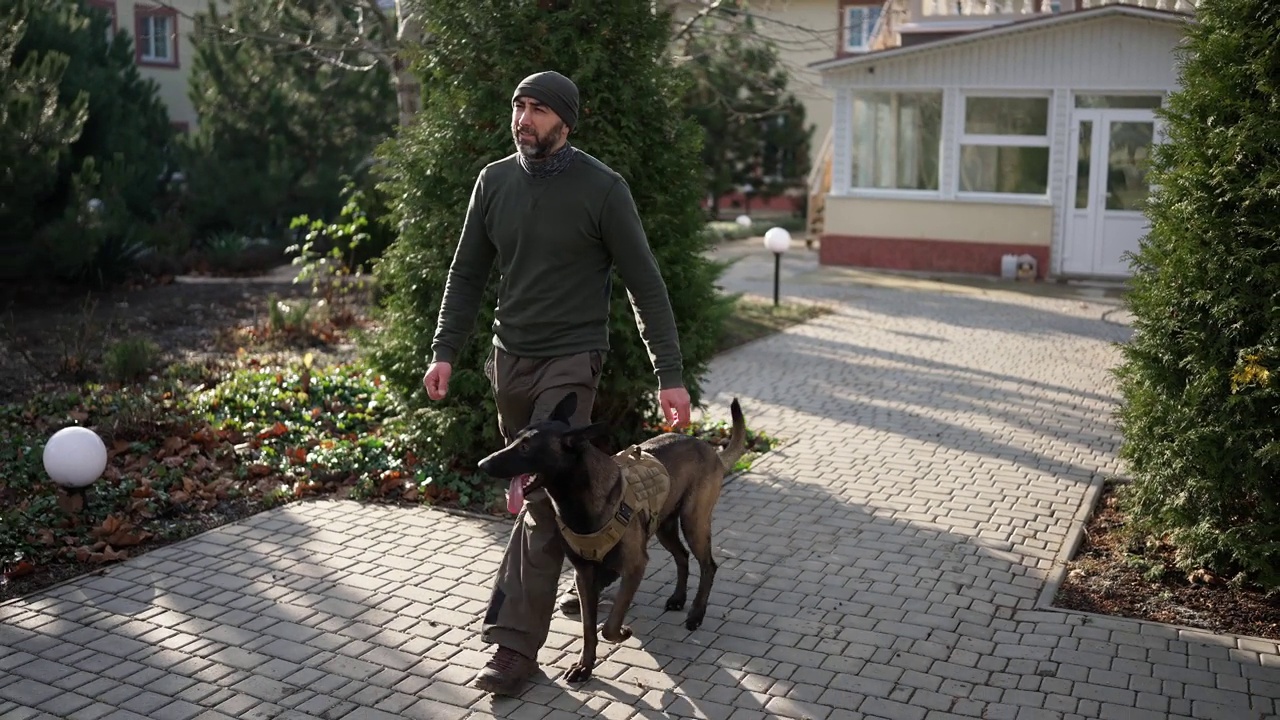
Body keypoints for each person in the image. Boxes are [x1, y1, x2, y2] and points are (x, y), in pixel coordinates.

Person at [421, 69, 691, 696]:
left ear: (565, 121)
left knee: (541, 501)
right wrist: (444, 351)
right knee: (535, 487)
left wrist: (669, 375)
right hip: (509, 359)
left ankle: (514, 647)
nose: (524, 119)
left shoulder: (602, 189)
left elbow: (643, 284)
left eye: (539, 109)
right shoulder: (493, 182)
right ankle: (594, 565)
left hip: (573, 361)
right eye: (519, 107)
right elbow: (466, 273)